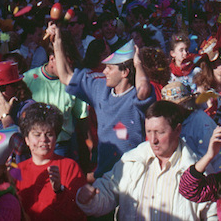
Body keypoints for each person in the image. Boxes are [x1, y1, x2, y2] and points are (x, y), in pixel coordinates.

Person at [48, 20, 156, 176]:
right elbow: (65, 76)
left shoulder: (135, 97)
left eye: (110, 68)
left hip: (134, 173)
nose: (104, 71)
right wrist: (57, 43)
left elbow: (144, 88)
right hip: (105, 173)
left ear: (125, 73)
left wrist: (138, 64)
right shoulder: (99, 89)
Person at [77, 100, 216, 221]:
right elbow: (107, 192)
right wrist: (89, 199)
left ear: (178, 130)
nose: (153, 140)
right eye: (149, 131)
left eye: (160, 132)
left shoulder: (197, 170)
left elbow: (213, 214)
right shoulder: (132, 161)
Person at [22, 25, 89, 162]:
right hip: (34, 147)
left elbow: (82, 118)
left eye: (70, 65)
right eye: (64, 63)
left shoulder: (74, 83)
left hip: (62, 146)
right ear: (52, 58)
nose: (67, 69)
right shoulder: (28, 79)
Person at [16, 103, 86, 221]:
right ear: (26, 140)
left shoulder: (70, 167)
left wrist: (59, 190)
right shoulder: (17, 171)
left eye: (49, 134)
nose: (43, 140)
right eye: (37, 135)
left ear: (56, 138)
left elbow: (79, 213)